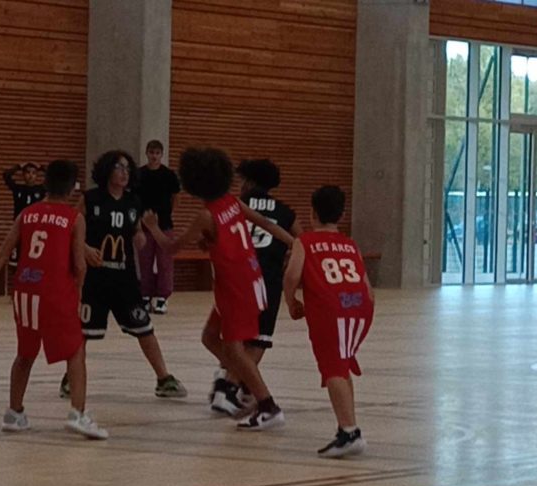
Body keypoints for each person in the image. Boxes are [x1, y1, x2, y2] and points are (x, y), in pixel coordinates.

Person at [142, 147, 293, 430]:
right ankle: (243, 384)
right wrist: (295, 244)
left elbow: (171, 248)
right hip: (247, 280)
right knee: (210, 337)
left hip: (237, 287)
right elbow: (264, 223)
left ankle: (267, 405)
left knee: (235, 350)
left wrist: (153, 227)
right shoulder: (233, 203)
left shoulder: (206, 215)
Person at [0, 160, 107, 440]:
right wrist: (79, 292)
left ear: (45, 184)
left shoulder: (27, 214)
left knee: (25, 353)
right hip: (55, 291)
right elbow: (79, 265)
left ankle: (14, 413)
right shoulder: (74, 218)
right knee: (75, 350)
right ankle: (78, 413)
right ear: (72, 188)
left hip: (24, 290)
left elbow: (2, 252)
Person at [63, 150, 185, 399]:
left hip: (124, 279)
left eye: (128, 168)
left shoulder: (133, 202)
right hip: (95, 279)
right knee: (82, 333)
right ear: (107, 170)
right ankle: (69, 378)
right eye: (119, 167)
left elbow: (136, 231)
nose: (125, 172)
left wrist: (141, 235)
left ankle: (164, 378)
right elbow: (70, 230)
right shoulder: (91, 199)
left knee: (144, 328)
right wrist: (84, 249)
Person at [283, 186, 375, 457]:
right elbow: (367, 286)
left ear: (312, 213)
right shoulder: (350, 244)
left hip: (331, 310)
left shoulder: (305, 242)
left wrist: (291, 301)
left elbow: (291, 276)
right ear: (342, 214)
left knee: (333, 368)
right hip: (360, 308)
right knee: (341, 365)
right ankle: (346, 426)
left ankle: (350, 432)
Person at [210, 159, 301, 415]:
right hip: (266, 282)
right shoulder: (285, 211)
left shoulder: (235, 205)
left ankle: (234, 381)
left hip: (236, 278)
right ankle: (230, 387)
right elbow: (301, 244)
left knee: (229, 338)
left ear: (249, 182)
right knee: (258, 341)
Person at [136, 140, 180, 314]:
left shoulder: (169, 175)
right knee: (144, 261)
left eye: (157, 153)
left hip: (164, 225)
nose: (154, 156)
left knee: (165, 262)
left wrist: (169, 213)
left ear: (161, 155)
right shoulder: (139, 174)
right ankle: (145, 295)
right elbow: (134, 199)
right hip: (144, 225)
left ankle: (162, 298)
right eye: (151, 152)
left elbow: (176, 196)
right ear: (146, 153)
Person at [3, 162, 46, 266]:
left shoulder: (41, 189)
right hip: (20, 225)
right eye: (28, 172)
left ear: (36, 176)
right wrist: (18, 166)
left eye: (34, 173)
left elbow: (52, 177)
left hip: (35, 226)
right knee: (18, 255)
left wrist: (41, 167)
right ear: (23, 175)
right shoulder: (18, 188)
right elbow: (6, 175)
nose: (30, 175)